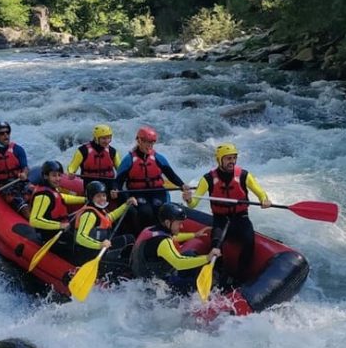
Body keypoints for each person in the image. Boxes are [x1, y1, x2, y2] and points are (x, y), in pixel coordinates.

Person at [183, 143, 271, 284]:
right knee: (216, 244)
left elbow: (260, 191)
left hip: (241, 217)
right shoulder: (208, 179)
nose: (232, 161)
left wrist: (264, 199)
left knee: (249, 240)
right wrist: (188, 199)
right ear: (220, 160)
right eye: (228, 158)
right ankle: (219, 274)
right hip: (221, 218)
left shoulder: (243, 175)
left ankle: (240, 277)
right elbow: (194, 203)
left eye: (234, 158)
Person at [115, 125, 190, 234]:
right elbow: (118, 181)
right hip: (138, 193)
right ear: (139, 141)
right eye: (147, 142)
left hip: (157, 192)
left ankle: (165, 236)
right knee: (146, 212)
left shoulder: (158, 158)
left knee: (162, 210)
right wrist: (115, 189)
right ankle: (143, 236)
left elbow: (171, 175)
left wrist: (182, 185)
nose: (150, 145)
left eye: (152, 143)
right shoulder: (129, 159)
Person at [130, 202, 218, 295]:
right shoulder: (163, 242)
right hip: (155, 285)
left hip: (145, 277)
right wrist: (207, 258)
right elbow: (179, 263)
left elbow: (173, 238)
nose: (182, 226)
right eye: (179, 223)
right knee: (192, 284)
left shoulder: (151, 230)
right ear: (168, 223)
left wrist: (194, 235)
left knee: (191, 255)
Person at [75, 181, 138, 279]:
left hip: (103, 249)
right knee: (126, 264)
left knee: (130, 239)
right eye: (98, 196)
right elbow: (80, 237)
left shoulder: (100, 210)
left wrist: (126, 204)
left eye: (104, 195)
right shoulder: (89, 215)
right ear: (92, 198)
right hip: (92, 255)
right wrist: (99, 245)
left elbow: (110, 217)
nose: (102, 199)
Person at [29, 160, 86, 261]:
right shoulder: (43, 196)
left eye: (59, 175)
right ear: (46, 176)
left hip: (61, 228)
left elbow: (62, 198)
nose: (58, 179)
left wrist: (84, 199)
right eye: (54, 176)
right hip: (51, 236)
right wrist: (59, 226)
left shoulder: (52, 189)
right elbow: (34, 220)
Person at [0, 121, 31, 219]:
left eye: (7, 132)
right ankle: (35, 225)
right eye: (2, 133)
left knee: (34, 193)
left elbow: (25, 167)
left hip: (20, 181)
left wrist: (24, 174)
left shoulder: (18, 149)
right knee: (21, 204)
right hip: (5, 186)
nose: (6, 135)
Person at [67, 123, 121, 195]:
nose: (107, 141)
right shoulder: (83, 151)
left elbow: (121, 169)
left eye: (109, 138)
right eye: (103, 138)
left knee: (118, 195)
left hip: (109, 183)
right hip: (91, 184)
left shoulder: (112, 151)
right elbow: (72, 166)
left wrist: (116, 187)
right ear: (96, 138)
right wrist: (71, 172)